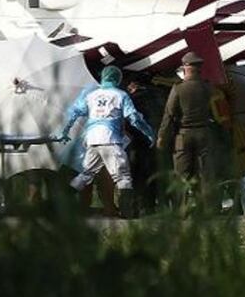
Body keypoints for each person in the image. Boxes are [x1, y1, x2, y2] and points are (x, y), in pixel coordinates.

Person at [56, 66, 156, 219]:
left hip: (92, 140)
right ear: (118, 79)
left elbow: (74, 112)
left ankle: (60, 202)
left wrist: (64, 132)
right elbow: (134, 118)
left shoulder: (91, 94)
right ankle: (126, 212)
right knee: (122, 176)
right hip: (112, 140)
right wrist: (149, 133)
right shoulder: (121, 95)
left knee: (86, 175)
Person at [157, 52, 215, 209]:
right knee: (205, 174)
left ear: (186, 68)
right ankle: (207, 208)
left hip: (183, 135)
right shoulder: (208, 87)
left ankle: (180, 209)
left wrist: (162, 136)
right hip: (204, 133)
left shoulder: (178, 89)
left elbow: (168, 114)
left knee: (181, 174)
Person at [125, 74, 165, 212]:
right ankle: (151, 205)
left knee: (137, 175)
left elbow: (129, 120)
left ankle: (138, 205)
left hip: (137, 142)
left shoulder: (131, 99)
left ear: (134, 85)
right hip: (156, 140)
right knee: (154, 172)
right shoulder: (160, 96)